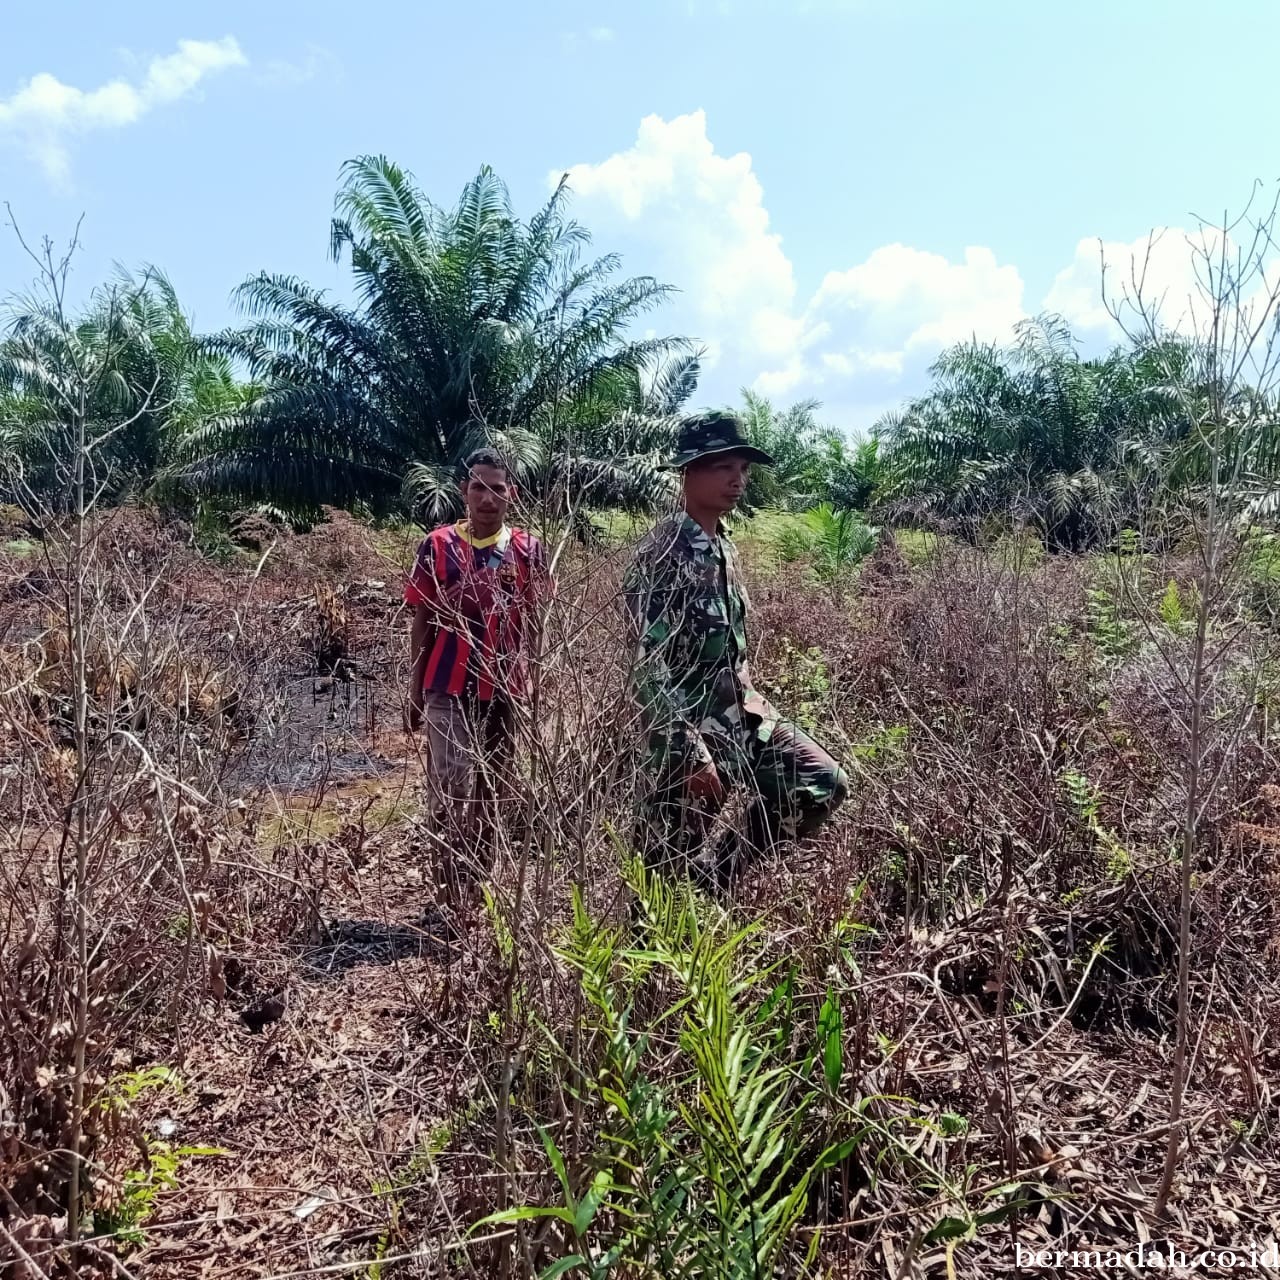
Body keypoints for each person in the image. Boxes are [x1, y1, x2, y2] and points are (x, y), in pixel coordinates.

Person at [622, 410, 849, 891]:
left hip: (741, 715)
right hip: (686, 725)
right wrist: (685, 748)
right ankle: (643, 947)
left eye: (743, 468)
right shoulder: (661, 552)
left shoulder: (724, 547)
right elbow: (644, 661)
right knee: (663, 865)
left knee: (822, 784)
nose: (737, 478)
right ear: (689, 470)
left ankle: (716, 878)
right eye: (724, 466)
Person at [404, 447, 551, 905]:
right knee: (450, 787)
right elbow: (421, 620)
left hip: (504, 690)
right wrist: (413, 690)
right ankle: (448, 894)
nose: (487, 498)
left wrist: (534, 681)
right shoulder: (437, 545)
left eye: (497, 489)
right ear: (463, 492)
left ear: (512, 495)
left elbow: (536, 621)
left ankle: (477, 891)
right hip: (446, 686)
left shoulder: (528, 550)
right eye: (477, 487)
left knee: (493, 790)